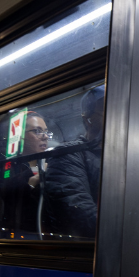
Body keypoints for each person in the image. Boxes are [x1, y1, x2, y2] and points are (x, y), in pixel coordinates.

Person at [45, 87, 104, 238]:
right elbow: (79, 214)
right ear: (88, 119)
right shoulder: (68, 154)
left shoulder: (119, 156)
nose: (115, 116)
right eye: (105, 109)